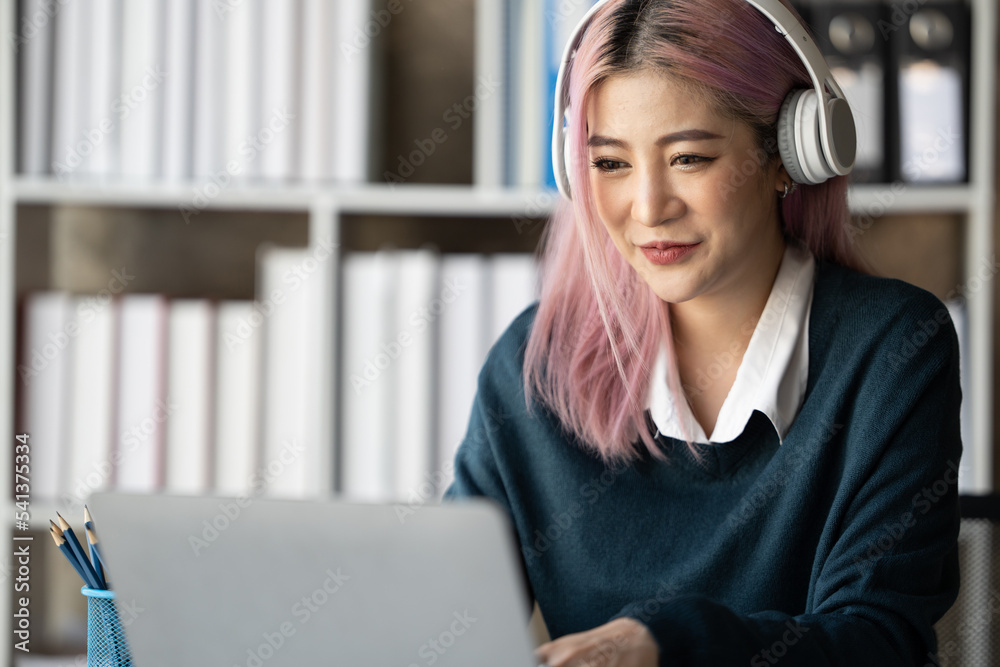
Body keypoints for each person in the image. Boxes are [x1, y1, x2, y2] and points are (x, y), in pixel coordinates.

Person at [444, 1, 962, 665]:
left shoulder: (890, 348)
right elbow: (449, 618)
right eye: (610, 164)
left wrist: (666, 645)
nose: (649, 207)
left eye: (687, 157)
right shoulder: (534, 363)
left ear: (787, 155)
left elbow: (880, 641)